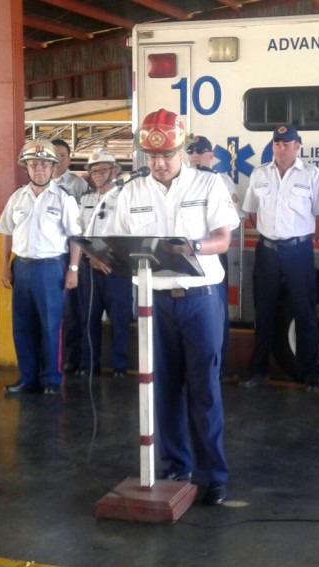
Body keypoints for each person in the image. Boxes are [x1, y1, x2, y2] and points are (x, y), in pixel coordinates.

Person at [105, 109, 239, 506]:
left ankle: (213, 474)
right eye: (151, 157)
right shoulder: (131, 191)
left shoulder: (208, 184)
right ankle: (176, 465)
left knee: (204, 390)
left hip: (199, 299)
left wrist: (193, 247)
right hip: (152, 302)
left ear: (182, 149)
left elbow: (223, 239)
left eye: (166, 155)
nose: (159, 164)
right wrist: (104, 256)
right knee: (162, 389)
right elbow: (118, 240)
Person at [240, 124, 319, 391]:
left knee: (304, 311)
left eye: (286, 143)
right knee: (264, 312)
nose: (280, 148)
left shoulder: (313, 175)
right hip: (267, 251)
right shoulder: (259, 175)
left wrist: (298, 241)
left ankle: (311, 373)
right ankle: (258, 370)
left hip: (298, 253)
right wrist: (273, 235)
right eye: (277, 143)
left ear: (297, 147)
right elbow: (252, 213)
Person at [0, 139, 82, 395]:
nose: (40, 169)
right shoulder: (17, 197)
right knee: (22, 326)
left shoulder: (64, 199)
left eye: (44, 164)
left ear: (53, 167)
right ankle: (28, 378)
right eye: (34, 165)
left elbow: (75, 237)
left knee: (50, 326)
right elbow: (6, 234)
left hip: (51, 268)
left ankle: (51, 381)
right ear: (27, 168)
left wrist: (73, 270)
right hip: (21, 267)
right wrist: (4, 267)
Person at [187, 135, 241, 377]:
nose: (196, 155)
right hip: (186, 253)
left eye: (201, 151)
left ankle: (219, 365)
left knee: (217, 309)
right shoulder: (181, 182)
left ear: (211, 155)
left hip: (213, 252)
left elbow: (231, 224)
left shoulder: (223, 181)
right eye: (192, 151)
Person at [77, 148, 132, 379]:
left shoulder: (127, 197)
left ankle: (119, 365)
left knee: (120, 319)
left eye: (103, 170)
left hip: (117, 267)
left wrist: (106, 257)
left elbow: (130, 232)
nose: (98, 174)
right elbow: (78, 232)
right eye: (93, 170)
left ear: (116, 170)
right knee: (89, 317)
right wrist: (92, 256)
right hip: (91, 267)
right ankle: (89, 364)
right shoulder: (86, 199)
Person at [50, 138, 91, 375]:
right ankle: (54, 357)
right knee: (53, 310)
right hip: (50, 255)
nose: (57, 160)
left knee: (72, 310)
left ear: (69, 158)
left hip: (72, 255)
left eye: (62, 155)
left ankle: (72, 357)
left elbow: (83, 224)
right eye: (53, 155)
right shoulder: (38, 184)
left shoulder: (78, 186)